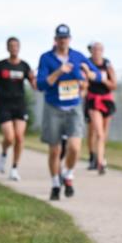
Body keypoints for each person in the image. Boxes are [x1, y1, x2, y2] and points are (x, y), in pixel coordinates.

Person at [36, 24, 103, 200]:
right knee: (55, 150)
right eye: (60, 38)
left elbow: (98, 75)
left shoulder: (77, 56)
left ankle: (68, 173)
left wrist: (89, 73)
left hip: (74, 107)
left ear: (70, 39)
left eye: (65, 38)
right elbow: (41, 84)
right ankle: (55, 184)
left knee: (74, 147)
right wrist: (59, 71)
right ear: (55, 39)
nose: (63, 41)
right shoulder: (46, 58)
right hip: (53, 108)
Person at [0, 38, 36, 181]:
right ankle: (3, 154)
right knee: (9, 137)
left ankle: (14, 168)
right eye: (11, 46)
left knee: (19, 137)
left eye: (16, 46)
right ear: (7, 48)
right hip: (4, 104)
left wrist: (33, 79)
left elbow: (34, 86)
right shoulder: (1, 65)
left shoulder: (25, 66)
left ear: (19, 48)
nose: (14, 48)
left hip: (19, 104)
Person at [84, 41, 118, 174]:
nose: (97, 52)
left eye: (99, 49)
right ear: (91, 51)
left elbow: (114, 85)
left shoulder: (107, 64)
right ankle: (98, 160)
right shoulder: (87, 64)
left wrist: (102, 79)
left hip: (106, 100)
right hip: (93, 100)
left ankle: (99, 156)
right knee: (96, 131)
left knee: (103, 133)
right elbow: (83, 81)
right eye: (94, 49)